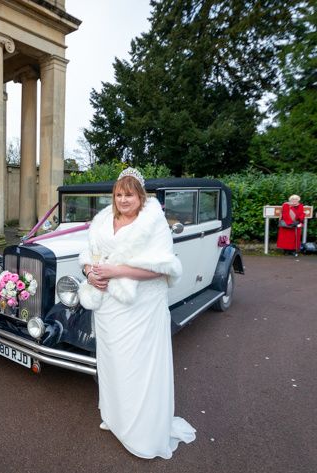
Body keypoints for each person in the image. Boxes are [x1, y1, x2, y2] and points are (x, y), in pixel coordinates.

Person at [78, 167, 196, 459]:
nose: (123, 200)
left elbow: (162, 268)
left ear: (140, 196)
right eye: (119, 194)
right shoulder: (103, 219)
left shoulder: (153, 223)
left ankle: (142, 433)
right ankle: (116, 418)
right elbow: (87, 253)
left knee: (137, 367)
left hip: (140, 307)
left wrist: (116, 270)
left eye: (129, 194)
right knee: (112, 363)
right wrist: (89, 273)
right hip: (107, 307)